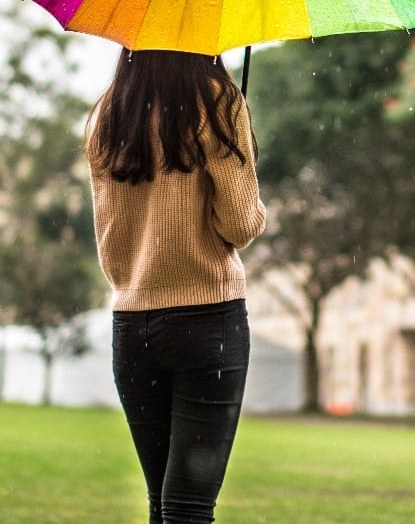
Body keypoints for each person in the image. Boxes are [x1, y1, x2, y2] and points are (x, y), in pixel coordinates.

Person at [86, 49, 266, 524]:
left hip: (132, 326)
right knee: (188, 508)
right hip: (209, 322)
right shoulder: (217, 100)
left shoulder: (109, 112)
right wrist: (245, 172)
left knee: (161, 504)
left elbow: (109, 239)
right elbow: (240, 225)